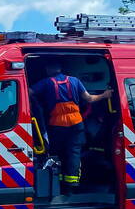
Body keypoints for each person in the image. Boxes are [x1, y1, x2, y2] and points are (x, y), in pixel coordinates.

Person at [30, 62, 113, 194]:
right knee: (73, 153)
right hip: (76, 124)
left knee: (57, 153)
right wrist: (105, 95)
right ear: (60, 68)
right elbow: (89, 99)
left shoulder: (46, 82)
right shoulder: (75, 81)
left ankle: (58, 184)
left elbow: (28, 92)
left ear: (48, 69)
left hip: (57, 125)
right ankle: (71, 185)